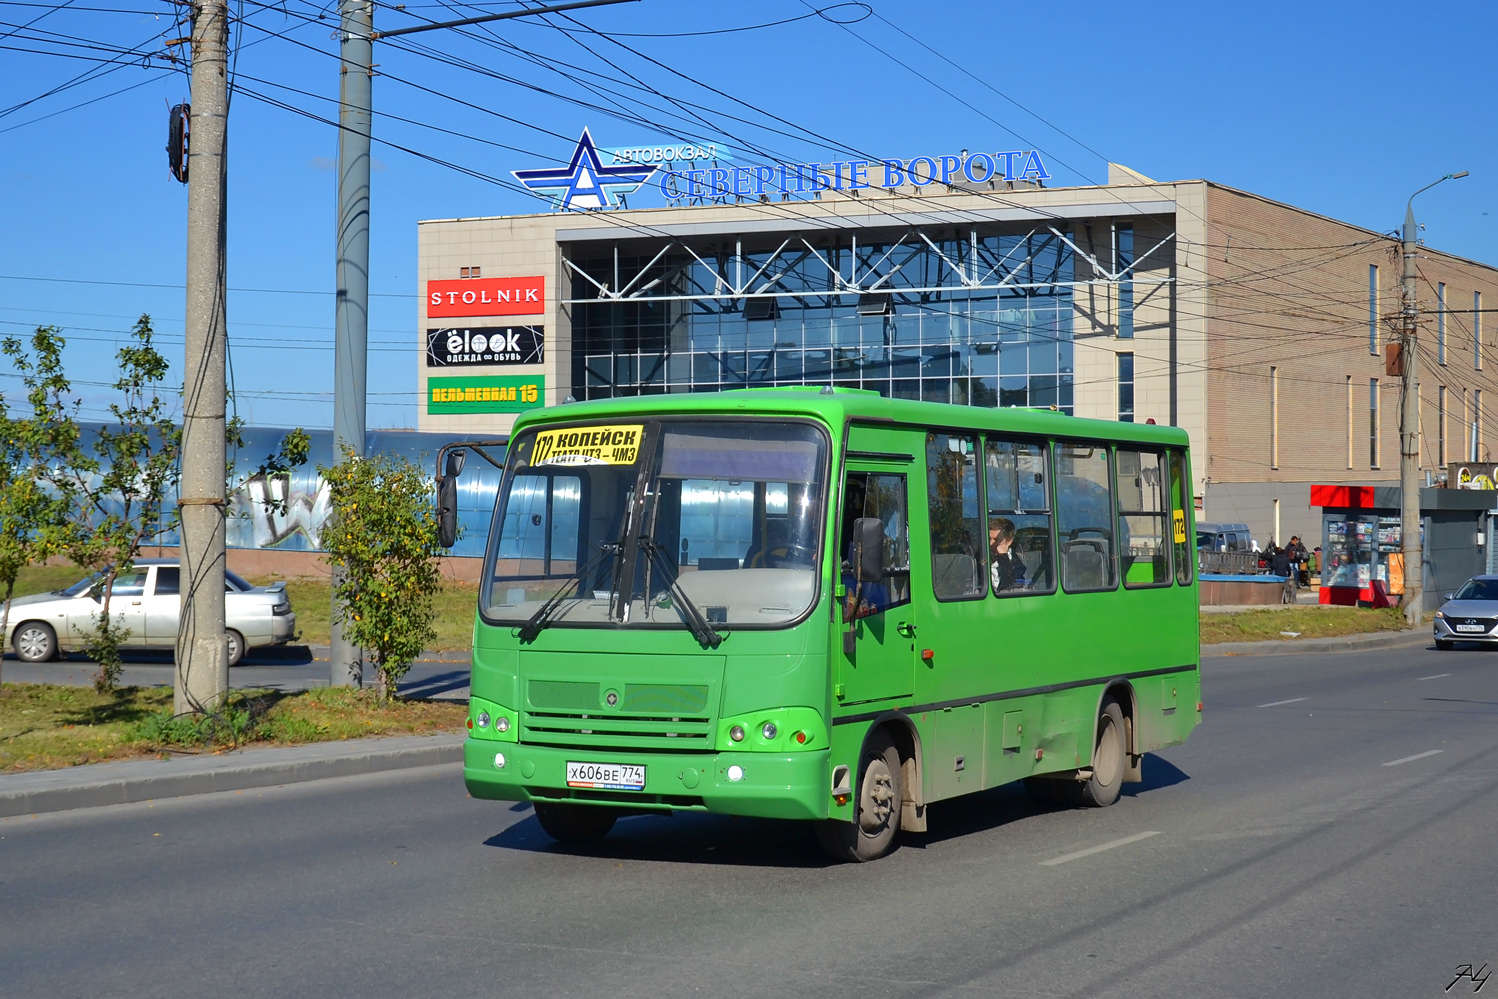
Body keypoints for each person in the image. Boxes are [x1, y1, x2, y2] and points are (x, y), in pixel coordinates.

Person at [989, 516, 1026, 593]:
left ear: (1009, 541)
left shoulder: (1017, 564)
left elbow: (1010, 584)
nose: (991, 543)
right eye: (989, 539)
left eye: (996, 540)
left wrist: (1003, 557)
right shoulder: (981, 558)